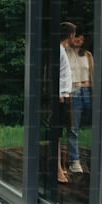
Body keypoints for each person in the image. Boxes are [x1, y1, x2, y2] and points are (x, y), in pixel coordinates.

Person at [65, 32, 93, 173]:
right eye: (76, 37)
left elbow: (92, 73)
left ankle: (91, 160)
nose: (78, 40)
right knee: (73, 128)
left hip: (87, 91)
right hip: (74, 91)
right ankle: (74, 161)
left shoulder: (87, 55)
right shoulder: (66, 53)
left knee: (91, 126)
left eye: (82, 38)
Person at [57, 21, 75, 183]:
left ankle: (61, 167)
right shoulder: (59, 51)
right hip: (61, 97)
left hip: (65, 96)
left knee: (61, 133)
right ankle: (57, 170)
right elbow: (55, 75)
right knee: (56, 135)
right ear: (71, 35)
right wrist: (60, 96)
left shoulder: (62, 50)